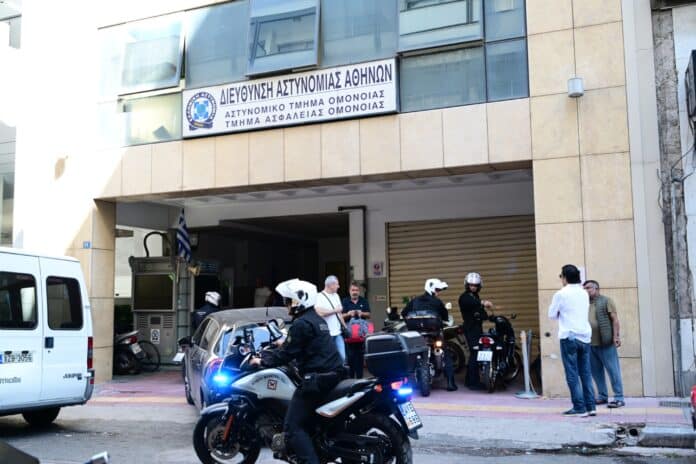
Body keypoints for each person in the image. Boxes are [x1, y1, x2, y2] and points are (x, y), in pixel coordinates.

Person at [250, 279, 344, 464]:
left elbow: (285, 355)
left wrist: (261, 360)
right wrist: (283, 343)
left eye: (290, 300)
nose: (287, 305)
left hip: (316, 380)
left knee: (292, 427)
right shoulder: (316, 319)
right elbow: (304, 345)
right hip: (332, 374)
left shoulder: (301, 323)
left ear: (300, 300)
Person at [548, 265, 596, 417]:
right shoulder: (583, 293)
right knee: (586, 373)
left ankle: (579, 407)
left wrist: (561, 313)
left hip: (569, 337)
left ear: (565, 277)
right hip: (585, 337)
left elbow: (551, 314)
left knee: (572, 374)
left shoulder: (561, 294)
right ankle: (591, 407)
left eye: (561, 276)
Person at [402, 278, 458, 391]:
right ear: (431, 289)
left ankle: (405, 383)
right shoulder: (437, 302)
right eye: (437, 290)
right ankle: (450, 383)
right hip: (434, 334)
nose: (438, 292)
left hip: (417, 335)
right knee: (446, 354)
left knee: (409, 354)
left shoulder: (414, 300)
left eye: (439, 290)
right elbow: (445, 317)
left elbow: (404, 313)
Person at [584, 280, 625, 408]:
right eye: (584, 288)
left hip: (605, 342)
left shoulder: (606, 301)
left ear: (596, 288)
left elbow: (615, 320)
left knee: (613, 371)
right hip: (590, 344)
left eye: (588, 288)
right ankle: (602, 396)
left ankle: (619, 398)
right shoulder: (584, 303)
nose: (586, 290)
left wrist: (616, 336)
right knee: (596, 373)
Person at [458, 272, 493, 390]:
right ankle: (473, 382)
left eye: (475, 285)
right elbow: (470, 303)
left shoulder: (475, 296)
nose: (473, 287)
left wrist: (489, 316)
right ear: (467, 285)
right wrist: (483, 303)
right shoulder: (465, 297)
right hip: (470, 329)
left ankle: (470, 380)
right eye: (471, 285)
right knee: (475, 353)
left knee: (476, 354)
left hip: (477, 328)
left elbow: (479, 311)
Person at [342, 282, 371, 379]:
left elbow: (368, 314)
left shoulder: (364, 301)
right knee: (350, 357)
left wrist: (361, 313)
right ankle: (350, 379)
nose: (355, 292)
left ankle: (359, 379)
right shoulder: (345, 301)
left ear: (359, 291)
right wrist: (348, 314)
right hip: (349, 335)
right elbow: (340, 316)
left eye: (356, 290)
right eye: (353, 290)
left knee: (360, 357)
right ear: (349, 291)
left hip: (361, 335)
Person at [314, 275, 347, 362]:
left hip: (338, 333)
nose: (338, 286)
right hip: (327, 334)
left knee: (342, 357)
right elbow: (319, 312)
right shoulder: (319, 296)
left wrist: (345, 327)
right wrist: (334, 310)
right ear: (331, 285)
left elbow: (339, 313)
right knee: (328, 359)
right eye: (337, 284)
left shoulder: (336, 295)